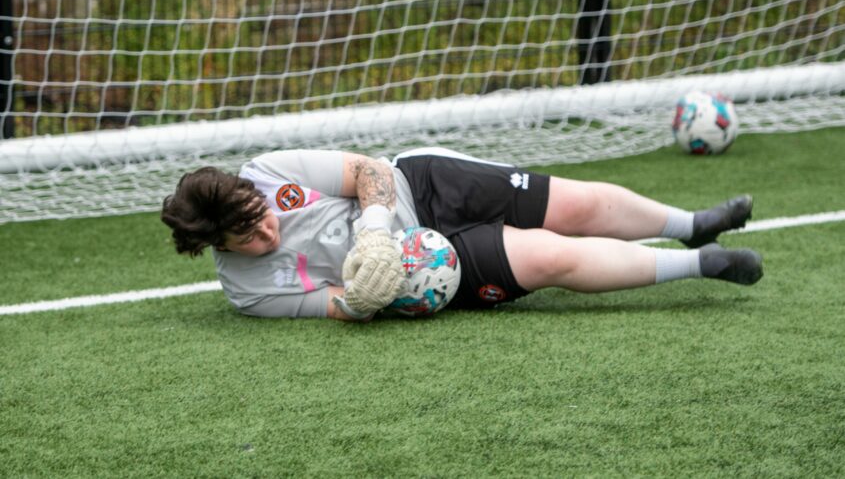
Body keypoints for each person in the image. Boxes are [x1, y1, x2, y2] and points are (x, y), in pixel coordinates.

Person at [160, 148, 762, 321]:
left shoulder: (267, 174)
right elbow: (337, 306)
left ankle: (690, 225)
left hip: (422, 185)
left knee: (572, 204)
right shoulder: (248, 291)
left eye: (260, 211)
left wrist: (372, 226)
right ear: (218, 245)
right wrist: (374, 289)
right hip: (426, 266)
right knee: (550, 258)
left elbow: (366, 170)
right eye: (252, 233)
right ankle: (704, 263)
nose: (268, 224)